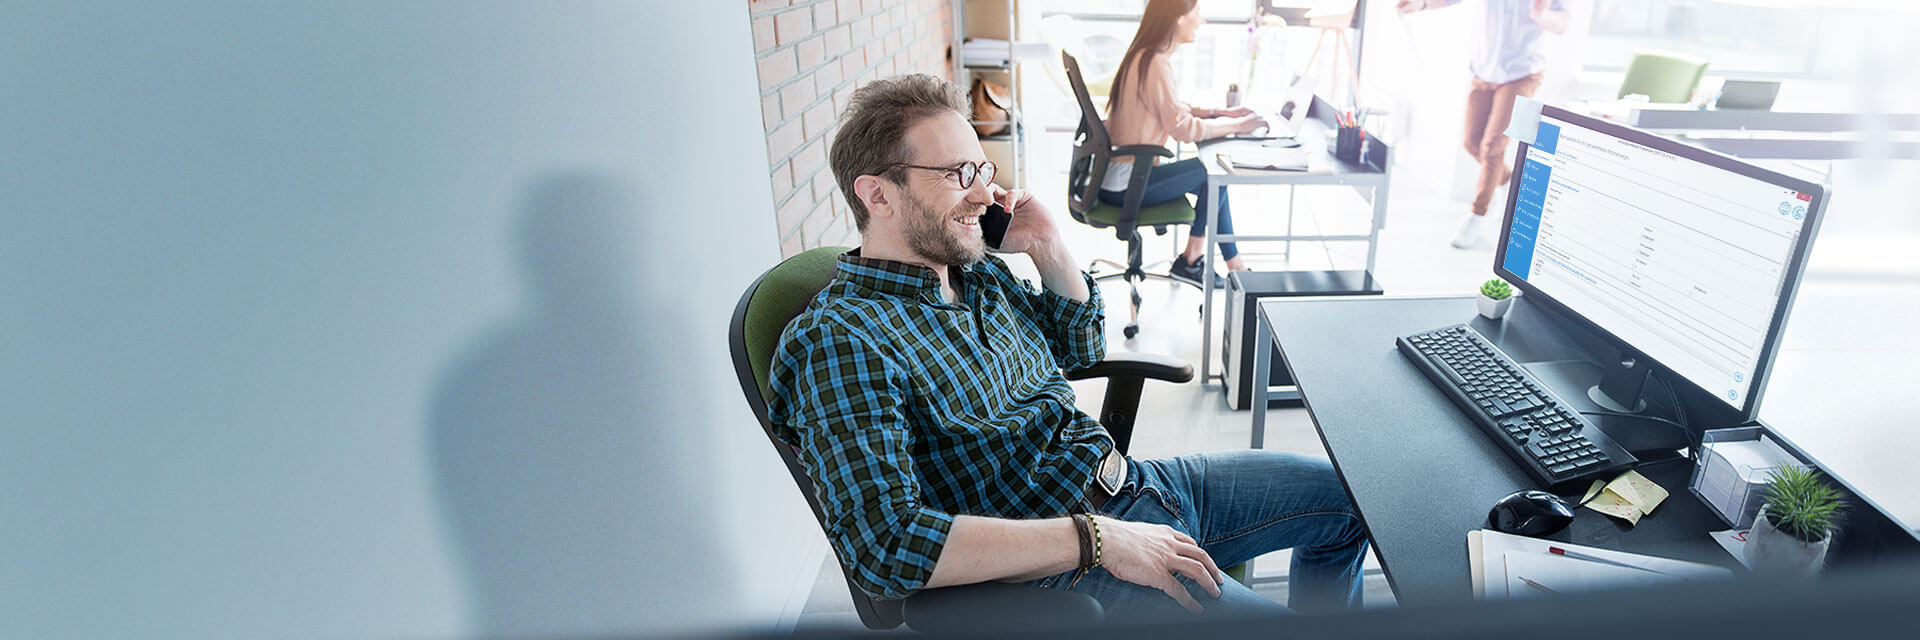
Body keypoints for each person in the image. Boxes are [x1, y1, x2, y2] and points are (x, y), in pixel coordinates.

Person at [767, 73, 1368, 625]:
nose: (984, 194)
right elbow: (885, 548)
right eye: (957, 175)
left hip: (1138, 487)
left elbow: (1081, 348)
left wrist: (1048, 246)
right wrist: (1096, 540)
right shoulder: (841, 341)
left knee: (1353, 503)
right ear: (877, 195)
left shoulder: (975, 273)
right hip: (1065, 566)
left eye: (982, 169)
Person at [1102, 0, 1268, 286]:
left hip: (1122, 175)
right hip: (1127, 184)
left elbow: (1171, 107)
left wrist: (1219, 113)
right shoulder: (1154, 62)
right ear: (1179, 18)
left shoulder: (1144, 56)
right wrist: (1238, 126)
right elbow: (1183, 129)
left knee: (1212, 180)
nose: (1201, 21)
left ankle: (1216, 264)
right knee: (1215, 171)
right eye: (1198, 13)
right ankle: (1199, 262)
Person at [1398, 0, 1568, 249]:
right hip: (1484, 69)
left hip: (1522, 71)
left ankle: (1476, 216)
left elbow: (1562, 23)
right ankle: (1507, 179)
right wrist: (1421, 4)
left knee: (1492, 147)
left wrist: (1541, 15)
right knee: (1472, 143)